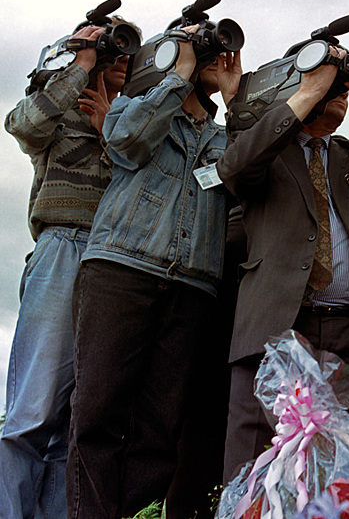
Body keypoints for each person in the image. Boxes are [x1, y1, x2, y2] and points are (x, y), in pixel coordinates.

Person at [66, 26, 241, 518]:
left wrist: (234, 97)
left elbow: (251, 173)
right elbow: (126, 143)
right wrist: (178, 74)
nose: (212, 55)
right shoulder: (130, 107)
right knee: (97, 413)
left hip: (191, 286)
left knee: (161, 429)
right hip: (120, 271)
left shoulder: (226, 135)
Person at [216, 46, 349, 483]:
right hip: (277, 327)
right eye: (329, 83)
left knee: (345, 472)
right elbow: (234, 169)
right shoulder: (267, 152)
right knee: (255, 468)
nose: (339, 92)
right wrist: (305, 93)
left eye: (342, 85)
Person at [1, 21, 133, 519]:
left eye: (126, 48)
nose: (119, 53)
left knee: (79, 424)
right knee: (32, 413)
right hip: (63, 247)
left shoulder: (133, 120)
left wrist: (112, 122)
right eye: (110, 45)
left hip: (117, 263)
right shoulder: (56, 106)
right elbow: (22, 124)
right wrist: (78, 61)